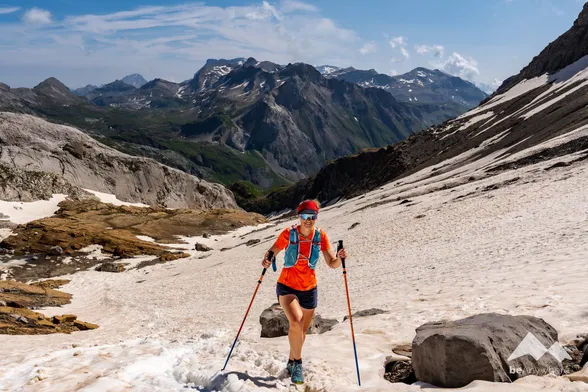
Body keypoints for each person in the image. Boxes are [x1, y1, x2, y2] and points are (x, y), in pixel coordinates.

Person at [261, 199, 347, 384]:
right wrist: (267, 259)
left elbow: (332, 263)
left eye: (312, 216)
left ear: (316, 216)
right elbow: (272, 252)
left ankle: (292, 361)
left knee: (302, 331)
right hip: (287, 285)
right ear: (299, 216)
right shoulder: (288, 234)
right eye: (305, 216)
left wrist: (339, 259)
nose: (309, 219)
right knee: (297, 320)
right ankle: (298, 364)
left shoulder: (321, 237)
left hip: (309, 288)